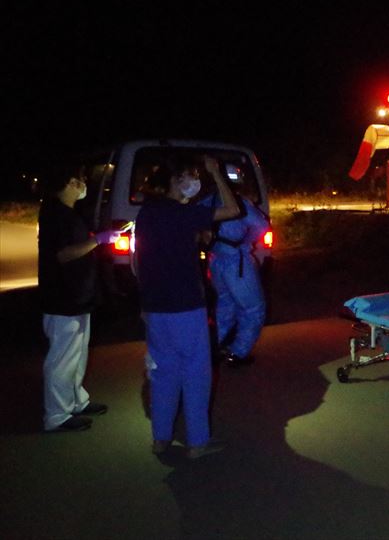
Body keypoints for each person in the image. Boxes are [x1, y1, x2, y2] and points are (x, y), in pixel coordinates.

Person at [134, 153, 240, 458]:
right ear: (175, 180)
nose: (196, 181)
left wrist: (144, 302)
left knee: (163, 373)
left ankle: (161, 438)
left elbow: (142, 259)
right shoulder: (184, 213)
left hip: (155, 307)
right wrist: (216, 172)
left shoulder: (147, 213)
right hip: (185, 306)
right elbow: (233, 209)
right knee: (196, 373)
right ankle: (198, 442)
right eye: (191, 175)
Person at [38, 164, 122, 432]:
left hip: (77, 296)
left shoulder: (67, 213)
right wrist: (98, 240)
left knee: (77, 355)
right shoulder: (56, 214)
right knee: (62, 359)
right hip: (63, 298)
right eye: (81, 180)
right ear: (70, 183)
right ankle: (56, 415)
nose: (84, 184)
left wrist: (98, 240)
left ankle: (76, 402)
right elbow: (63, 254)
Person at [206, 165, 270, 366]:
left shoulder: (209, 201)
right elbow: (261, 226)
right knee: (253, 308)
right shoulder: (240, 203)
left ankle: (211, 348)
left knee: (225, 304)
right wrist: (244, 242)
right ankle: (238, 352)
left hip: (216, 260)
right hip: (236, 262)